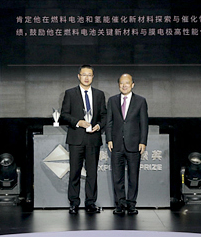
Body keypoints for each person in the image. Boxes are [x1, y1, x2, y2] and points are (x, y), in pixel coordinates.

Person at [60, 65, 107, 214]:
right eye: (84, 74)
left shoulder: (99, 94)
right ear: (79, 76)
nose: (87, 77)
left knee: (92, 173)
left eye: (89, 75)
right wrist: (78, 122)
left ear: (93, 77)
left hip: (93, 139)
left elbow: (104, 115)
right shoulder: (70, 93)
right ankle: (74, 203)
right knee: (74, 172)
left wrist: (99, 125)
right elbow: (64, 115)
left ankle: (90, 203)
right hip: (76, 139)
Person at [106, 73, 149, 215]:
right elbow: (109, 122)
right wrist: (109, 139)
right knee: (117, 177)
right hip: (116, 144)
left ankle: (131, 204)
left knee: (133, 176)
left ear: (132, 84)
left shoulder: (141, 101)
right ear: (118, 85)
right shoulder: (112, 100)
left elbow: (144, 123)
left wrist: (143, 141)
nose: (124, 86)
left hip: (134, 144)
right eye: (121, 83)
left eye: (127, 83)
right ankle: (120, 204)